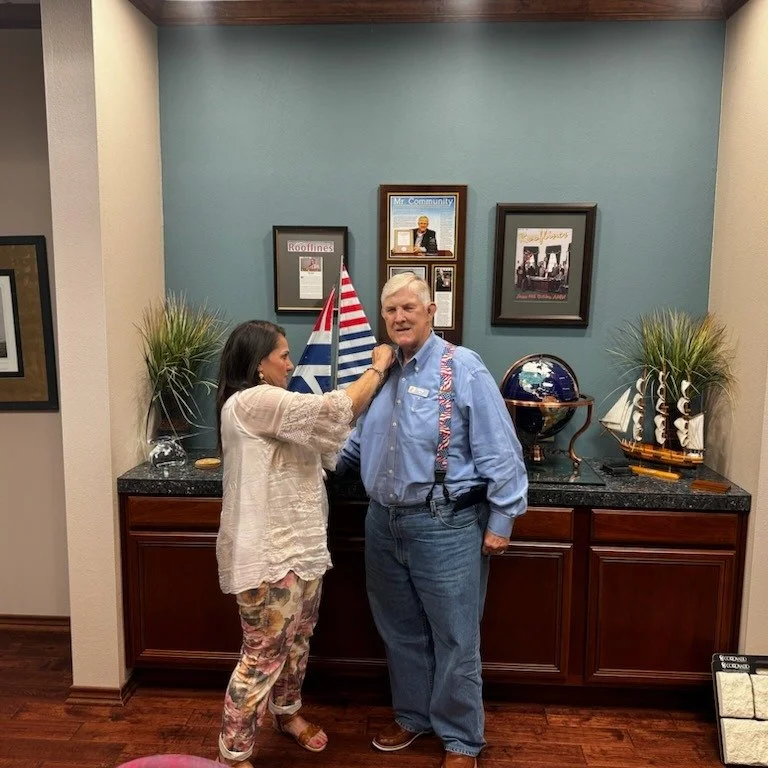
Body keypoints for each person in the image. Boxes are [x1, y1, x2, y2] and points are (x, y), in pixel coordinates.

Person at [336, 274, 528, 768]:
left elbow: (501, 451)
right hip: (383, 522)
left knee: (455, 635)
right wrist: (310, 458)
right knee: (399, 630)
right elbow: (356, 445)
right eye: (391, 311)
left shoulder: (461, 368)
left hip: (446, 524)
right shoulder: (379, 374)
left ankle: (462, 738)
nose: (399, 318)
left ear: (430, 310)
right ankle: (413, 716)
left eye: (408, 308)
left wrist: (502, 519)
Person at [214, 319, 394, 768]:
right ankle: (233, 755)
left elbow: (332, 440)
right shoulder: (252, 401)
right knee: (261, 657)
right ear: (259, 365)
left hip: (303, 548)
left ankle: (288, 714)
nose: (291, 363)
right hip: (267, 556)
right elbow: (335, 412)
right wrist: (377, 369)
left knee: (297, 643)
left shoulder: (276, 408)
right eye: (283, 355)